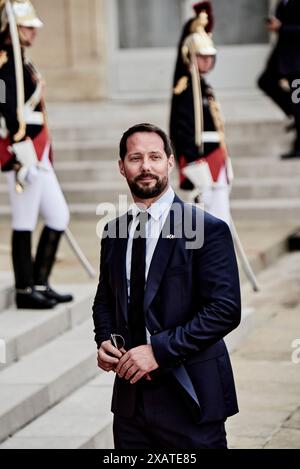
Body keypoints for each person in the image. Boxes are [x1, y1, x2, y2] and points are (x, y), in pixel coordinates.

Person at [92, 122, 241, 449]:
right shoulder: (114, 232)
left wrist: (158, 351)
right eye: (135, 158)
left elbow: (225, 310)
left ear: (170, 163)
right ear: (121, 167)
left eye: (154, 157)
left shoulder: (206, 228)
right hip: (131, 405)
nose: (145, 166)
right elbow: (105, 299)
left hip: (191, 395)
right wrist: (104, 339)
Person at [0, 0, 73, 309]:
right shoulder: (5, 62)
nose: (34, 32)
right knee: (24, 220)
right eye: (28, 27)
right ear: (14, 28)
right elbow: (5, 109)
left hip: (38, 151)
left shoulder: (22, 60)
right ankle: (25, 290)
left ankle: (40, 281)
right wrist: (18, 152)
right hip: (23, 153)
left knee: (59, 216)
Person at [170, 1, 233, 226]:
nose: (207, 61)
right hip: (200, 158)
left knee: (221, 218)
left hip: (216, 156)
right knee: (199, 220)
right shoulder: (186, 88)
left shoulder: (204, 87)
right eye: (201, 56)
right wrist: (192, 162)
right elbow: (182, 127)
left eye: (209, 57)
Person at [258, 0, 300, 159]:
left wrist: (281, 27)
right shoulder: (282, 3)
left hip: (297, 65)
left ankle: (298, 145)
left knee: (298, 103)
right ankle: (294, 114)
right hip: (283, 60)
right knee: (265, 81)